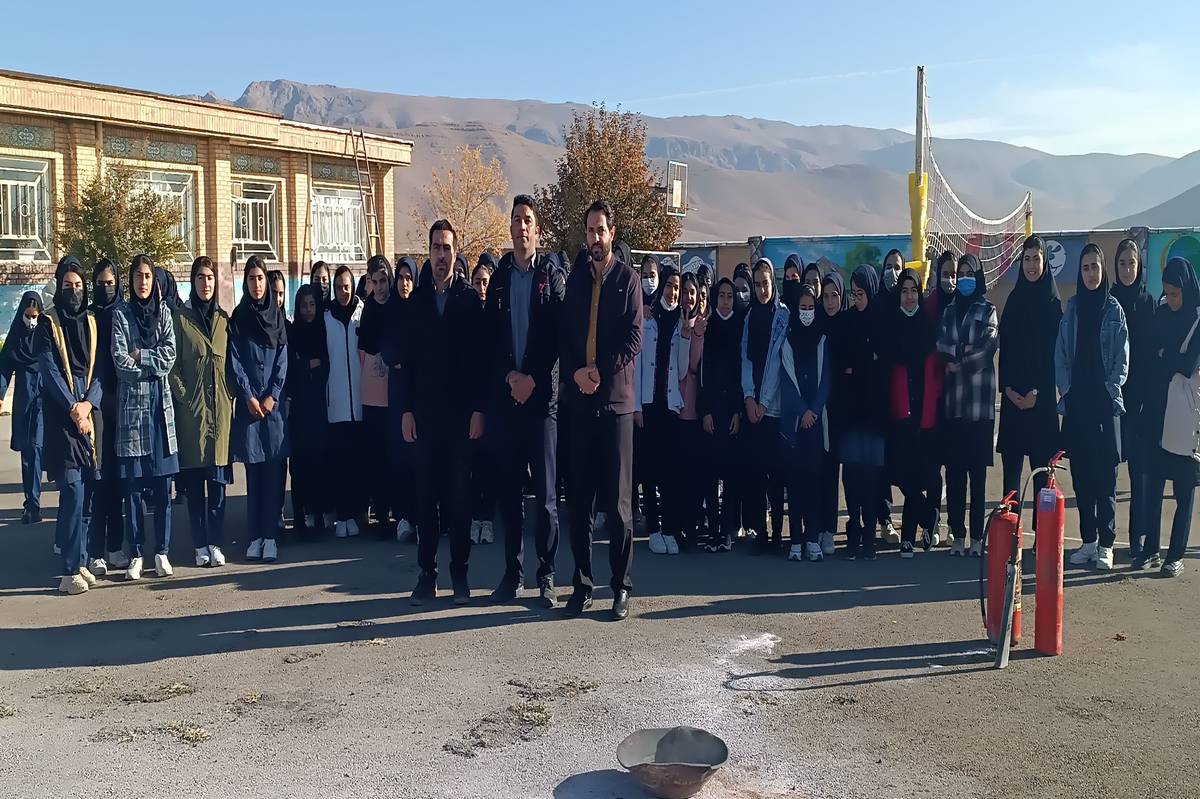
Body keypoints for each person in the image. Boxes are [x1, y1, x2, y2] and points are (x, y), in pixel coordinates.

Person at [560, 200, 641, 620]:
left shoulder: (628, 281)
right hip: (580, 403)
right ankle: (582, 585)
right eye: (590, 230)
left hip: (615, 405)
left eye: (601, 230)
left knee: (619, 503)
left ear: (612, 233)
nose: (595, 237)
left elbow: (634, 338)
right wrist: (577, 372)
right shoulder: (575, 281)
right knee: (580, 501)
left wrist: (599, 371)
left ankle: (621, 586)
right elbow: (564, 335)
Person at [484, 195, 565, 607]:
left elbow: (556, 336)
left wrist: (532, 378)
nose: (521, 226)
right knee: (509, 493)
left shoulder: (550, 276)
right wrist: (509, 377)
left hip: (541, 401)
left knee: (546, 497)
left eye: (527, 220)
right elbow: (490, 340)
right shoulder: (499, 278)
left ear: (537, 229)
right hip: (508, 401)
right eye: (516, 219)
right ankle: (511, 574)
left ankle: (546, 575)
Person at [401, 219, 486, 606]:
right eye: (435, 247)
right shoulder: (416, 303)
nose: (441, 255)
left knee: (459, 500)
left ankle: (460, 574)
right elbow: (407, 363)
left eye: (447, 248)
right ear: (429, 252)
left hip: (460, 419)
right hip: (425, 418)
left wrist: (478, 410)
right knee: (426, 500)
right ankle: (427, 575)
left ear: (456, 252)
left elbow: (479, 362)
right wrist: (406, 410)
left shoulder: (468, 301)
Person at [1057, 245, 1128, 570]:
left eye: (1094, 267)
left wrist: (1109, 390)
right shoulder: (1072, 309)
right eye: (1085, 268)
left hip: (1104, 408)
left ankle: (1106, 545)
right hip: (1078, 408)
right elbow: (1061, 354)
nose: (1090, 273)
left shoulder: (1113, 310)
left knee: (1105, 481)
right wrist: (1067, 391)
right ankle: (1087, 542)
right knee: (1082, 479)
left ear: (1103, 270)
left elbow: (1121, 359)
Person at [37, 260, 104, 594]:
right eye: (68, 286)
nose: (74, 291)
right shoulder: (47, 323)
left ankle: (81, 559)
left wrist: (89, 404)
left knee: (88, 489)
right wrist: (74, 409)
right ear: (59, 287)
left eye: (78, 286)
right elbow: (49, 371)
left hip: (88, 411)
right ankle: (68, 571)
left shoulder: (92, 322)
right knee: (72, 489)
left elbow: (101, 369)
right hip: (62, 416)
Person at [112, 254, 179, 580]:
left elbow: (170, 356)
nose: (143, 282)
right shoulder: (121, 315)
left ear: (154, 280)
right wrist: (149, 366)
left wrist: (143, 355)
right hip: (133, 414)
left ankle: (162, 551)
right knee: (134, 491)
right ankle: (136, 553)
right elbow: (120, 363)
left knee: (163, 488)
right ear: (131, 280)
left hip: (160, 410)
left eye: (148, 276)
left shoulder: (163, 312)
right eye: (138, 276)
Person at [1137, 257, 1200, 576]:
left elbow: (1188, 365)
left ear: (1187, 290)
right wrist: (1167, 358)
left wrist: (1167, 357)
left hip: (1185, 416)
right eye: (1167, 292)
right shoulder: (1160, 313)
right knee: (1153, 483)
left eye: (1176, 294)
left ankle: (1175, 555)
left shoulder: (1197, 319)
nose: (1171, 299)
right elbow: (1151, 355)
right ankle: (1151, 548)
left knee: (1184, 489)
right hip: (1157, 410)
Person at [997, 236, 1062, 543]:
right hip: (1013, 400)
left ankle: (1042, 537)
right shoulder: (1013, 300)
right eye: (1027, 259)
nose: (1032, 265)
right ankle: (1008, 535)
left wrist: (1037, 393)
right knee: (1011, 474)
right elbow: (1006, 351)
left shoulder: (1053, 304)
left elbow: (1054, 356)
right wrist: (1008, 389)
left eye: (1037, 259)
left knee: (1041, 475)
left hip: (1041, 403)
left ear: (1045, 262)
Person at [171, 256, 234, 567]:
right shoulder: (181, 320)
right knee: (196, 488)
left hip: (220, 416)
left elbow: (231, 365)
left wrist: (230, 396)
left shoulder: (224, 320)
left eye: (210, 278)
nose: (206, 283)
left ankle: (216, 543)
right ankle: (199, 545)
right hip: (192, 417)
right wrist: (185, 399)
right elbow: (173, 368)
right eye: (200, 278)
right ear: (192, 282)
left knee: (218, 486)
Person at [937, 254, 998, 556]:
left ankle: (976, 539)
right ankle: (957, 536)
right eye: (960, 274)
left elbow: (988, 348)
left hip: (979, 409)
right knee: (955, 476)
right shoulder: (949, 311)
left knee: (978, 478)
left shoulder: (988, 310)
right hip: (954, 408)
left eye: (969, 274)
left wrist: (960, 358)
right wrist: (963, 351)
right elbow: (942, 346)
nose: (963, 279)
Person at [229, 256, 289, 562]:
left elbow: (282, 360)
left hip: (272, 409)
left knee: (273, 473)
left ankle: (270, 536)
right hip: (250, 407)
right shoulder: (239, 317)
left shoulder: (277, 317)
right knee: (254, 476)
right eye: (251, 278)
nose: (256, 284)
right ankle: (255, 536)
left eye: (260, 278)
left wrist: (272, 395)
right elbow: (235, 360)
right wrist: (249, 396)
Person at [882, 269, 943, 558]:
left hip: (925, 413)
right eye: (904, 291)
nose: (909, 296)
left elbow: (936, 371)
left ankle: (908, 537)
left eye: (914, 291)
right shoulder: (891, 326)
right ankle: (929, 517)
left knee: (920, 474)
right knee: (901, 474)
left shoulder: (928, 327)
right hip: (898, 414)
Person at [740, 258, 791, 557]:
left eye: (765, 284)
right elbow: (745, 359)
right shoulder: (750, 317)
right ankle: (760, 533)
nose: (761, 290)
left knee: (776, 476)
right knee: (756, 475)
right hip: (753, 409)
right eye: (757, 284)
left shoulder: (783, 316)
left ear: (774, 284)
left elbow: (778, 363)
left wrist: (763, 402)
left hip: (773, 409)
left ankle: (777, 535)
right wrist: (749, 397)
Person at [837, 265, 887, 559]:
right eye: (853, 293)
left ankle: (869, 532)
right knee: (852, 475)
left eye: (861, 293)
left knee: (871, 476)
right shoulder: (847, 321)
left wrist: (859, 367)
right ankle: (853, 527)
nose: (857, 299)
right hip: (851, 411)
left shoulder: (881, 320)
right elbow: (843, 363)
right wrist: (864, 365)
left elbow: (881, 364)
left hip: (874, 413)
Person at [1111, 238, 1156, 560]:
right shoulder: (1110, 301)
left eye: (1132, 263)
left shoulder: (1148, 302)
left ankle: (1137, 539)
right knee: (1108, 474)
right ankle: (1105, 538)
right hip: (1113, 402)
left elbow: (1151, 356)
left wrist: (1145, 399)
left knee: (1139, 476)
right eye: (1122, 263)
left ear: (1139, 267)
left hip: (1139, 404)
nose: (1127, 269)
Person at [636, 259, 684, 555]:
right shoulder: (647, 319)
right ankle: (654, 528)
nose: (672, 292)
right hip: (649, 405)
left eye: (677, 288)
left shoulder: (681, 321)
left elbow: (682, 369)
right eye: (669, 286)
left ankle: (669, 528)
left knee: (669, 472)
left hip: (670, 406)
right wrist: (637, 406)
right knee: (649, 470)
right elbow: (639, 364)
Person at [781, 282, 831, 562]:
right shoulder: (788, 341)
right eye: (803, 307)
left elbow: (826, 381)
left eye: (811, 307)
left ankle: (812, 539)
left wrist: (814, 410)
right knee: (796, 486)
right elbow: (787, 383)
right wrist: (802, 411)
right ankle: (796, 541)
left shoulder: (822, 339)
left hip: (816, 424)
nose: (807, 312)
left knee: (814, 484)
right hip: (795, 426)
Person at [698, 277, 743, 552]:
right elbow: (702, 374)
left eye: (730, 296)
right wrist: (704, 411)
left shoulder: (739, 326)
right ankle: (712, 529)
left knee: (730, 475)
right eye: (722, 295)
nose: (725, 301)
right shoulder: (709, 326)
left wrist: (738, 411)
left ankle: (726, 531)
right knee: (710, 475)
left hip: (731, 412)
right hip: (711, 411)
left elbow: (741, 374)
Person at [324, 265, 365, 537]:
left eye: (347, 286)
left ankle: (357, 513)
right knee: (339, 463)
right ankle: (342, 516)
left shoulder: (362, 312)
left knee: (357, 462)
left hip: (360, 402)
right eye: (338, 287)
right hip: (336, 403)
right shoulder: (326, 316)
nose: (343, 292)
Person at [359, 255, 398, 537]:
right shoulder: (369, 310)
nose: (381, 287)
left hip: (395, 393)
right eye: (376, 282)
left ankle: (399, 512)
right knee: (376, 455)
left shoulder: (397, 306)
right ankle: (380, 514)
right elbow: (364, 349)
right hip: (373, 394)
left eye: (384, 281)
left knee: (395, 454)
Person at [286, 284, 328, 535]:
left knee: (318, 462)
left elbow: (325, 366)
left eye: (312, 305)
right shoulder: (293, 333)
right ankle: (300, 516)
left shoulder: (322, 331)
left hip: (318, 408)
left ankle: (318, 513)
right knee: (299, 465)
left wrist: (306, 366)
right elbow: (293, 367)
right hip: (299, 409)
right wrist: (307, 366)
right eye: (304, 305)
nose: (308, 310)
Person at [0, 291, 45, 523]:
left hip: (46, 400)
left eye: (35, 316)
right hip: (25, 400)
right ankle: (32, 504)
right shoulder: (16, 337)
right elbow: (4, 366)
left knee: (39, 450)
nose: (32, 320)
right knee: (29, 452)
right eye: (28, 316)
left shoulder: (47, 334)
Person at [815, 270, 849, 556]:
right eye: (825, 296)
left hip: (840, 411)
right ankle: (817, 526)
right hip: (817, 409)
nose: (829, 302)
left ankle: (830, 529)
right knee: (818, 471)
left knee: (834, 471)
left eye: (834, 296)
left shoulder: (847, 325)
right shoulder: (816, 325)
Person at [674, 270, 707, 547]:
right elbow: (682, 369)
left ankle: (695, 523)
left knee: (697, 470)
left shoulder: (703, 325)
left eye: (692, 292)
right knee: (680, 470)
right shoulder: (674, 324)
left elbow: (697, 368)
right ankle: (681, 524)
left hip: (699, 408)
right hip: (678, 407)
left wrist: (695, 332)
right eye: (684, 292)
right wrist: (686, 334)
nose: (688, 297)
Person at [388, 257, 418, 542]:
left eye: (409, 278)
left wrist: (408, 361)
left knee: (420, 456)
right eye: (401, 278)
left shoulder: (421, 308)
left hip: (420, 392)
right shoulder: (391, 311)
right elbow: (388, 352)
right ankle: (404, 517)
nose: (404, 283)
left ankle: (422, 516)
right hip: (397, 392)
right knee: (399, 456)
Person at [467, 260, 496, 544]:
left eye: (486, 282)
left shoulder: (497, 313)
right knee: (472, 462)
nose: (482, 287)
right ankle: (474, 517)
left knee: (490, 463)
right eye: (477, 282)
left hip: (493, 400)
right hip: (469, 400)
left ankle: (487, 519)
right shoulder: (467, 313)